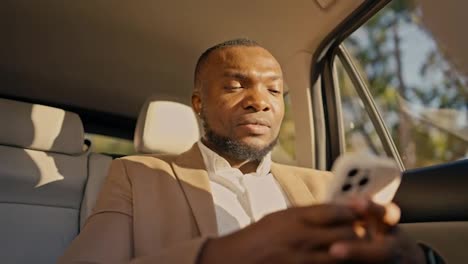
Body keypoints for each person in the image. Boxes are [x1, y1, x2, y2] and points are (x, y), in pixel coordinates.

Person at [60, 38, 441, 263]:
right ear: (198, 103)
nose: (260, 101)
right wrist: (226, 253)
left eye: (274, 90)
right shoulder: (137, 174)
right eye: (235, 86)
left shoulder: (325, 185)